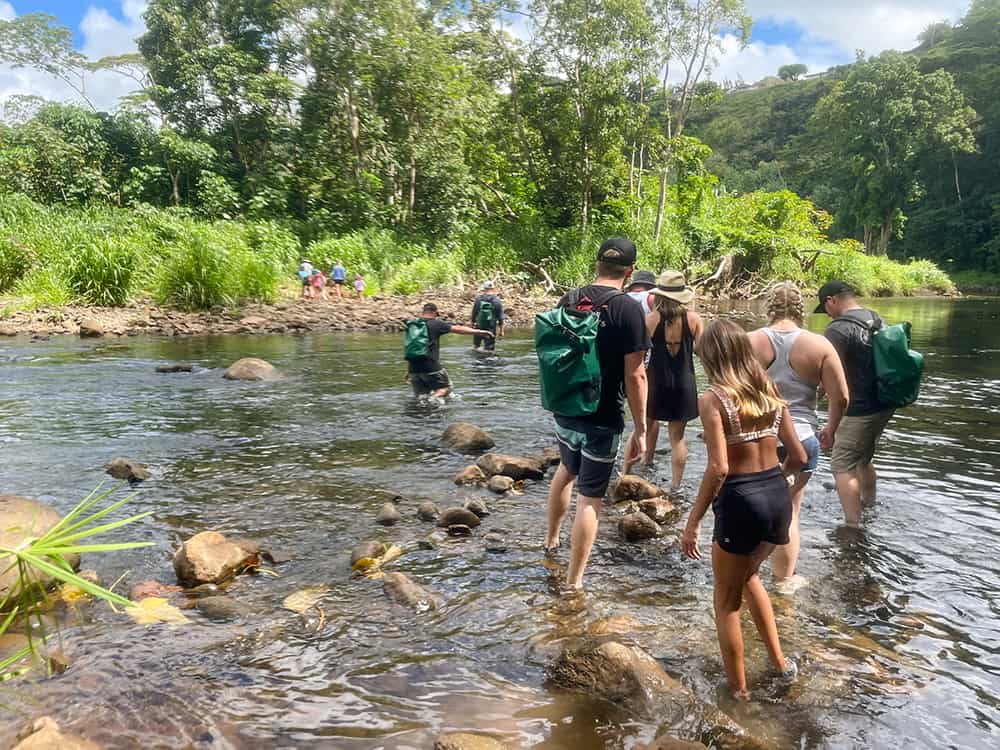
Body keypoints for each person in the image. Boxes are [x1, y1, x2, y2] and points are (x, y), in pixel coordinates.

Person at [681, 319, 806, 701]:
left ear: (712, 358)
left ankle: (739, 693)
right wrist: (772, 484)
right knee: (750, 577)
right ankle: (781, 665)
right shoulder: (769, 390)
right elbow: (799, 456)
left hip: (741, 500)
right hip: (777, 496)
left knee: (725, 603)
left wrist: (692, 522)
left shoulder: (713, 400)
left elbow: (719, 467)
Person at [544, 237, 650, 591]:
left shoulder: (569, 299)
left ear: (596, 265)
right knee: (590, 497)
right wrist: (642, 428)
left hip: (565, 407)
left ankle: (550, 540)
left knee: (566, 469)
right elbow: (636, 376)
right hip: (602, 415)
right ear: (630, 271)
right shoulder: (628, 309)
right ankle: (574, 582)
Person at [748, 283, 849, 585]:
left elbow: (730, 391)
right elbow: (841, 396)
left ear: (769, 306)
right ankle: (782, 585)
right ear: (800, 308)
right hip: (802, 438)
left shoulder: (747, 342)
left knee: (752, 508)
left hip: (757, 437)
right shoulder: (819, 346)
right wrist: (830, 428)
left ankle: (744, 575)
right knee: (789, 512)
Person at [814, 280, 894, 527]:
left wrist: (826, 421)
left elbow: (827, 378)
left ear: (832, 300)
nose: (827, 313)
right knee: (863, 459)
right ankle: (869, 504)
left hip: (858, 408)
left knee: (841, 464)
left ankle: (852, 526)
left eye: (825, 307)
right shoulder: (875, 319)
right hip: (883, 404)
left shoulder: (837, 330)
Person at [635, 271, 703, 492]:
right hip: (685, 380)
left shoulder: (651, 319)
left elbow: (639, 354)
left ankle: (646, 463)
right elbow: (701, 351)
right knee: (677, 437)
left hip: (656, 379)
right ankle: (675, 485)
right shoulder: (693, 319)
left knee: (648, 424)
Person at [406, 303, 494, 398]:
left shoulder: (413, 326)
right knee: (445, 388)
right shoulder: (435, 324)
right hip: (430, 366)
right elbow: (458, 329)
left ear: (423, 312)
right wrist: (479, 331)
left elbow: (412, 348)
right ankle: (432, 399)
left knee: (421, 396)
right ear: (435, 313)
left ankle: (422, 408)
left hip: (413, 368)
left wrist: (409, 371)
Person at [471, 280, 505, 352]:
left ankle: (476, 361)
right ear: (493, 288)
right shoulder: (497, 300)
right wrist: (501, 331)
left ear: (484, 288)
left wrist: (472, 326)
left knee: (475, 348)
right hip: (491, 329)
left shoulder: (478, 299)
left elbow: (473, 315)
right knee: (489, 350)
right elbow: (501, 318)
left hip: (478, 328)